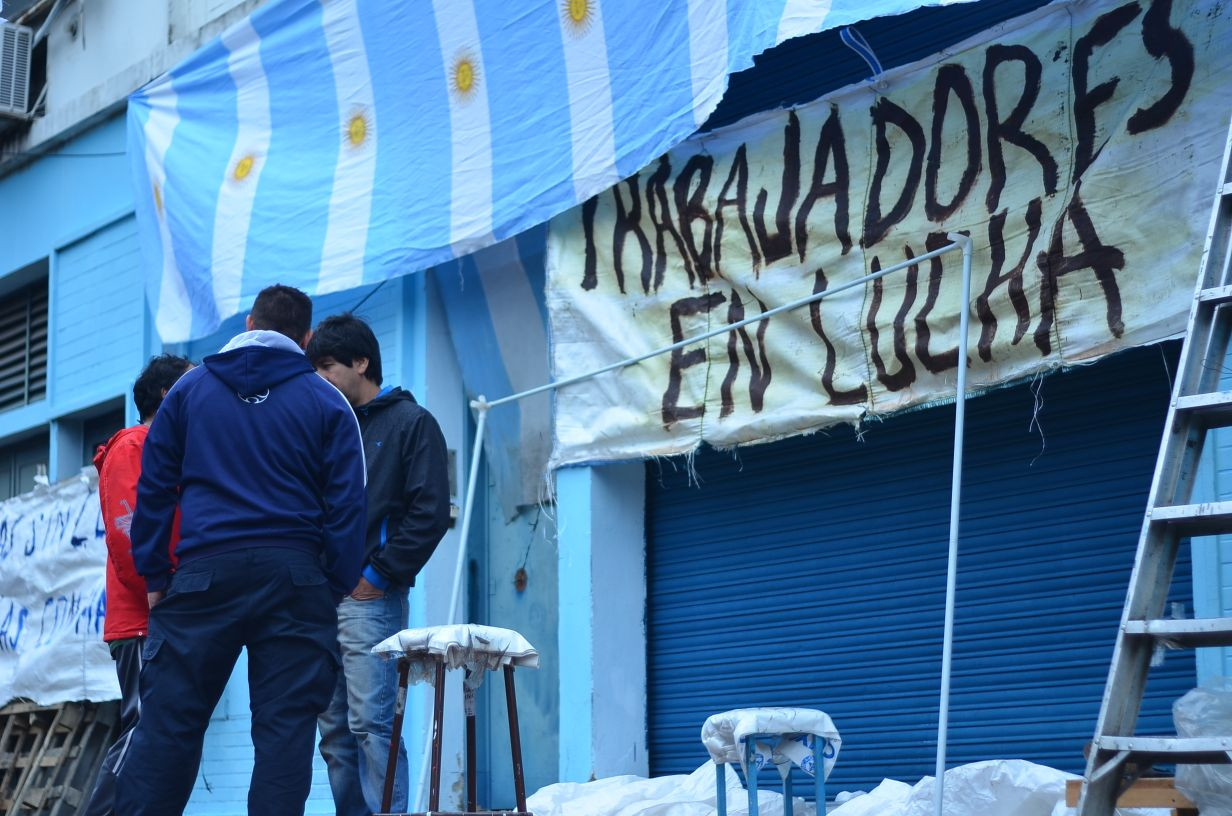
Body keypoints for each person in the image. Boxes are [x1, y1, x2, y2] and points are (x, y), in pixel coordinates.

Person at [117, 285, 368, 816]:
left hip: (203, 575)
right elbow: (348, 505)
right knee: (284, 735)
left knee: (168, 726)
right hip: (297, 579)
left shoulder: (187, 394)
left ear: (249, 321)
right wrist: (332, 584)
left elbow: (154, 491)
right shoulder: (328, 401)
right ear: (305, 338)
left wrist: (157, 576)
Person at [308, 313, 451, 816]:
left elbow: (430, 513)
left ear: (361, 362)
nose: (319, 378)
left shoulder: (412, 423)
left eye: (327, 366)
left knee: (372, 724)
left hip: (371, 599)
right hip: (322, 600)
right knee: (333, 731)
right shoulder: (328, 428)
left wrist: (380, 574)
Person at [83, 354, 193, 816]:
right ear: (170, 397)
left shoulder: (171, 450)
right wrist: (158, 586)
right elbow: (130, 528)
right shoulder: (135, 444)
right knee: (144, 731)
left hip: (167, 614)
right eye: (194, 388)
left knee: (168, 739)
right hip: (145, 618)